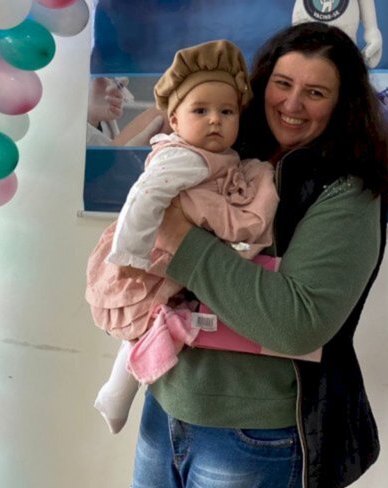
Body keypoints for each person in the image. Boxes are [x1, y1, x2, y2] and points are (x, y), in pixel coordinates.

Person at [131, 22, 388, 488]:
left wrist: (179, 238)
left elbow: (297, 322)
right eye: (283, 84)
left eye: (315, 92)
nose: (292, 105)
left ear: (342, 104)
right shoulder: (225, 151)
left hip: (252, 434)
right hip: (165, 404)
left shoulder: (346, 190)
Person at [86, 40, 279, 434]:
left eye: (226, 112)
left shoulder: (214, 157)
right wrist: (131, 256)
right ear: (174, 121)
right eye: (201, 111)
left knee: (160, 320)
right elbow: (143, 198)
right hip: (152, 256)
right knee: (145, 319)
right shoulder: (183, 157)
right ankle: (115, 394)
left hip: (174, 255)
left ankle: (116, 394)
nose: (215, 121)